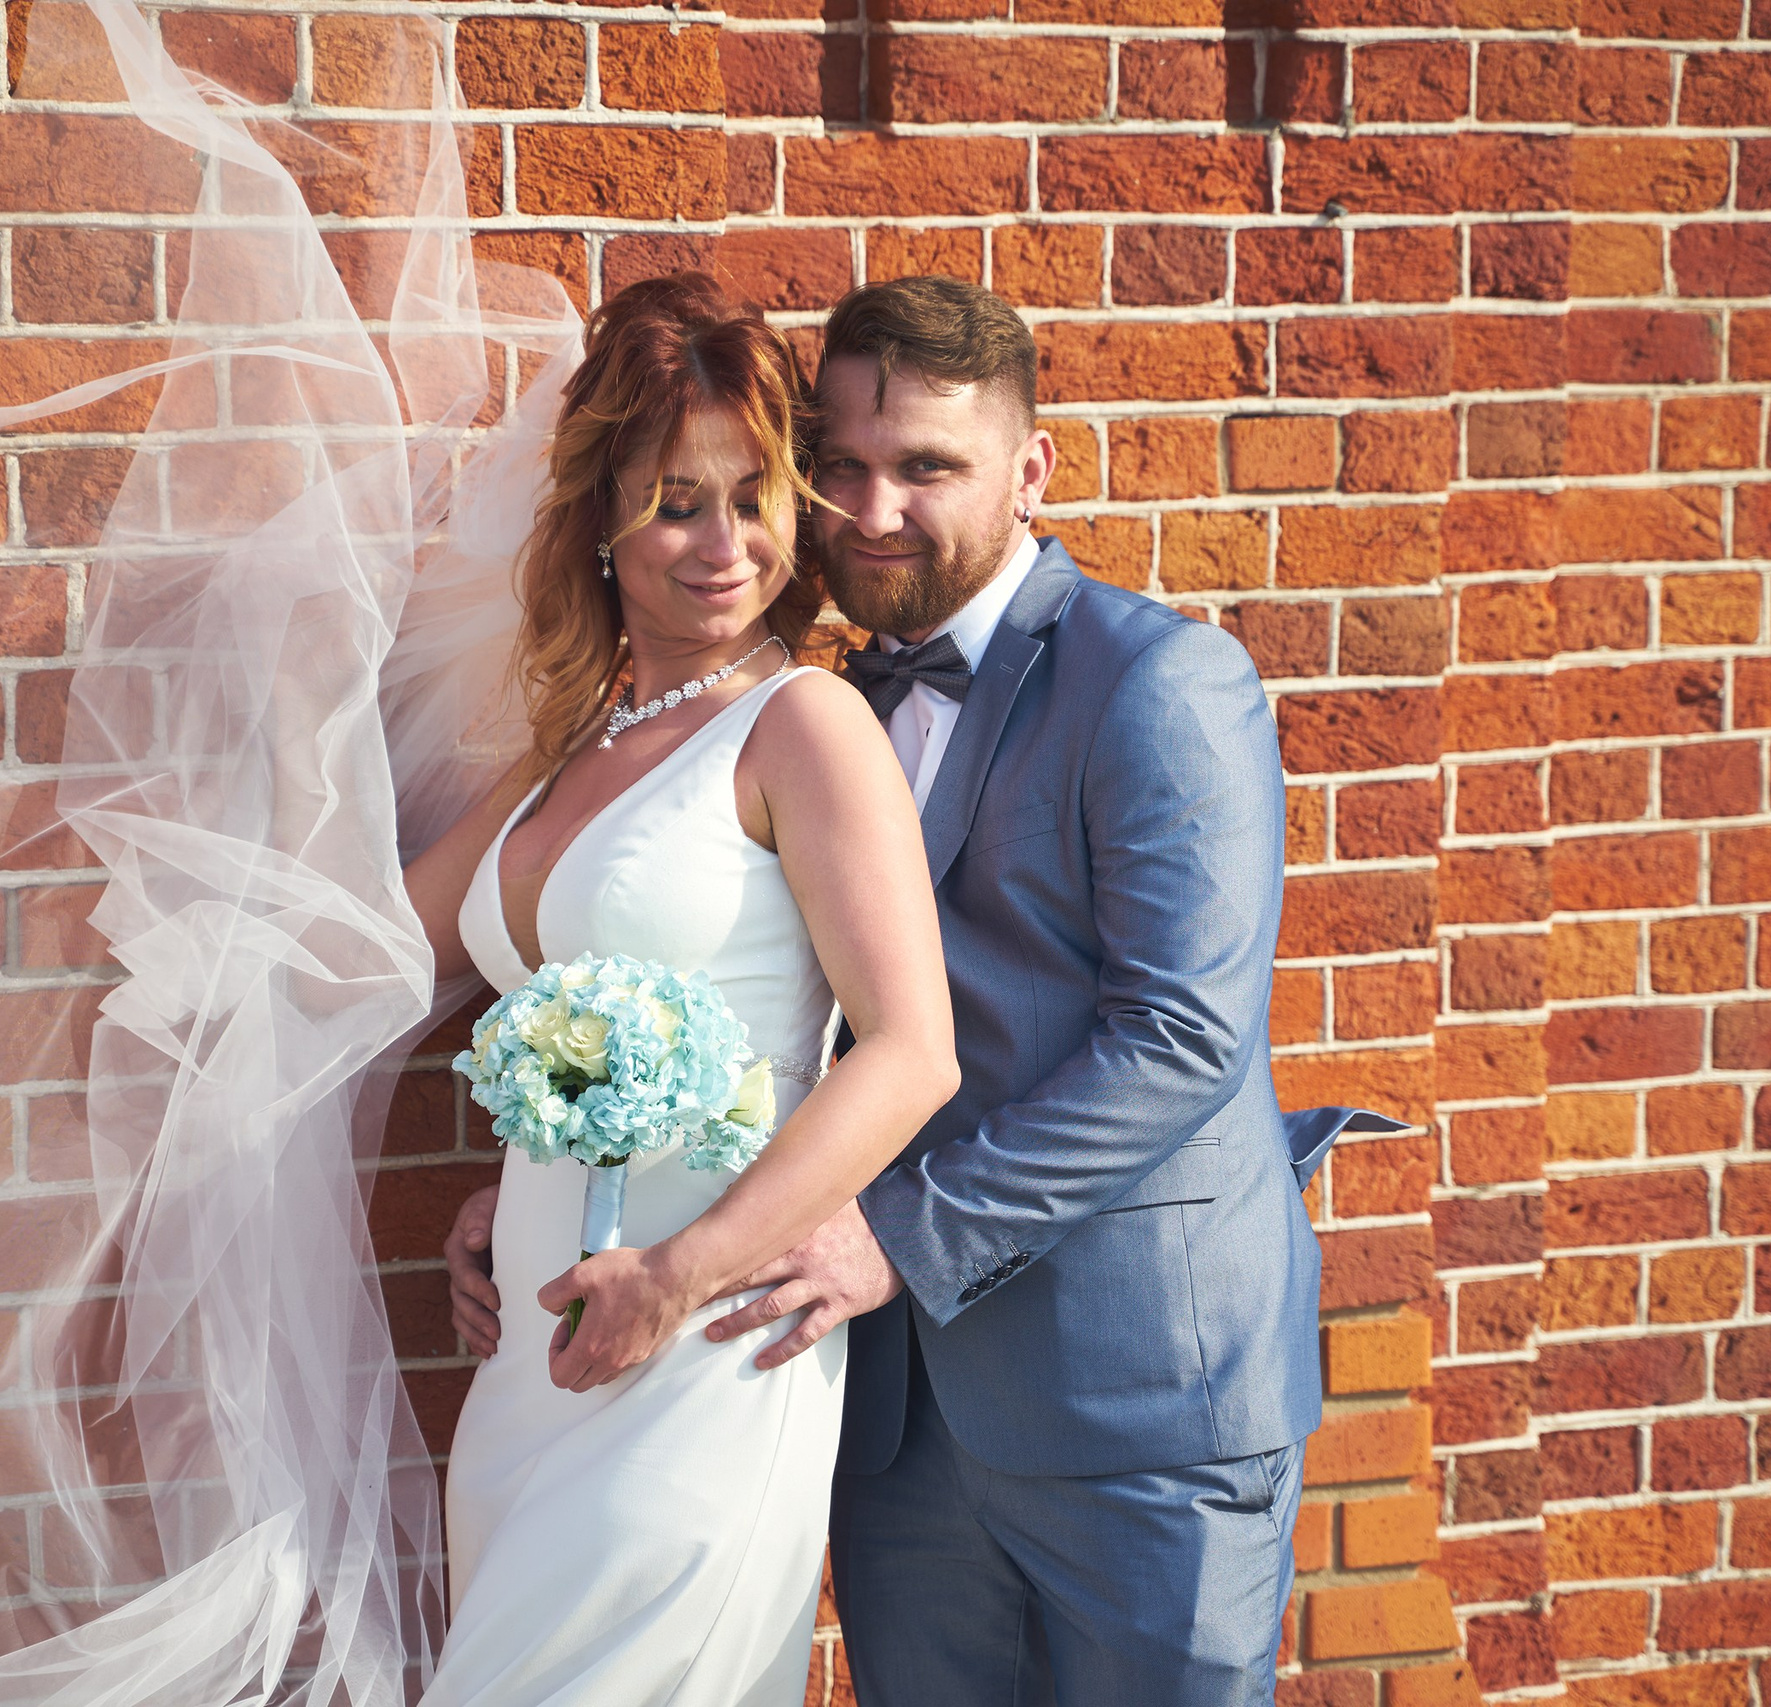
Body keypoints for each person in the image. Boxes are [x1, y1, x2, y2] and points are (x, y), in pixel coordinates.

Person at [471, 274, 1325, 1706]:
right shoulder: (815, 707)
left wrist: (893, 1241)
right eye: (845, 469)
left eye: (928, 467)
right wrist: (575, 1167)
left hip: (1134, 1403)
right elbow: (759, 1010)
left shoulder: (1159, 680)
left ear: (1030, 469)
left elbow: (1179, 1039)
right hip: (888, 1418)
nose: (871, 509)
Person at [405, 272, 958, 1706]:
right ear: (600, 522)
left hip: (703, 1347)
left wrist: (674, 1275)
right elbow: (381, 947)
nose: (725, 544)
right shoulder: (571, 747)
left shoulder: (806, 725)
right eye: (674, 500)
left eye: (754, 493)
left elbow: (908, 1054)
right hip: (536, 1365)